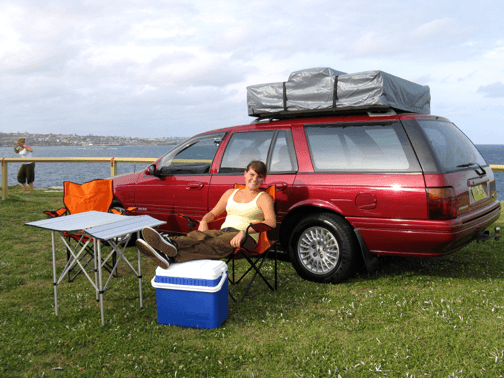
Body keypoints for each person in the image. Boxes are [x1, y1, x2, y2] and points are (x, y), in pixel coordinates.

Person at [136, 160, 276, 269]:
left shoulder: (263, 198)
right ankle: (170, 244)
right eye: (252, 174)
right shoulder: (230, 193)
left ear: (263, 179)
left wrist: (245, 232)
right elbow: (213, 213)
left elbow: (271, 223)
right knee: (201, 235)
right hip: (224, 231)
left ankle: (169, 255)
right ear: (245, 174)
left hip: (247, 239)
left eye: (259, 177)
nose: (254, 179)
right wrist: (204, 221)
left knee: (213, 243)